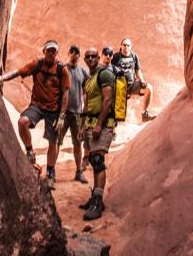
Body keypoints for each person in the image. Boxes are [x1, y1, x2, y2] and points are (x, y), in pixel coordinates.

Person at [0, 40, 70, 188]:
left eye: (54, 51)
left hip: (53, 110)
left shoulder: (62, 69)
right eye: (49, 50)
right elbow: (18, 72)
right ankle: (30, 152)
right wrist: (1, 78)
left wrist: (62, 116)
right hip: (36, 106)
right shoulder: (37, 64)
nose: (51, 53)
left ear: (57, 53)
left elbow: (66, 93)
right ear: (44, 51)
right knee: (22, 121)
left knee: (52, 141)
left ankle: (50, 174)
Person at [78, 46, 117, 220]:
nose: (92, 59)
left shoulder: (105, 74)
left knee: (97, 160)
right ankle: (96, 195)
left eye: (94, 56)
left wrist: (100, 124)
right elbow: (87, 105)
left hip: (103, 124)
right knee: (94, 161)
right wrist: (82, 127)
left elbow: (108, 100)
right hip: (90, 123)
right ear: (85, 60)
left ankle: (97, 202)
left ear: (98, 57)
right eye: (88, 56)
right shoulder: (89, 79)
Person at [62, 44, 90, 183]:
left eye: (77, 52)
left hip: (78, 113)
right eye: (72, 51)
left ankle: (79, 172)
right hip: (64, 112)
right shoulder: (63, 69)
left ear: (79, 55)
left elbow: (89, 85)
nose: (74, 54)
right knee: (56, 141)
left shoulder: (82, 71)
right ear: (68, 53)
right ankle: (51, 172)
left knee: (77, 143)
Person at [111, 38, 154, 120]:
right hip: (120, 88)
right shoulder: (116, 57)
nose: (126, 47)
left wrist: (142, 80)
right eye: (124, 45)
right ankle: (112, 129)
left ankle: (145, 114)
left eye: (128, 45)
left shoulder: (134, 56)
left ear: (131, 47)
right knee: (118, 114)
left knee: (149, 89)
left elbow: (137, 70)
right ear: (121, 46)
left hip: (132, 85)